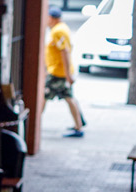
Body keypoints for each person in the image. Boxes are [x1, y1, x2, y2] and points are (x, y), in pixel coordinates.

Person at [45, 6, 85, 138]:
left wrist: (68, 74)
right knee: (68, 98)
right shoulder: (61, 28)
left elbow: (65, 52)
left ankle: (79, 125)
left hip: (58, 72)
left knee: (45, 97)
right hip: (57, 71)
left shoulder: (58, 31)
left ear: (52, 18)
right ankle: (79, 124)